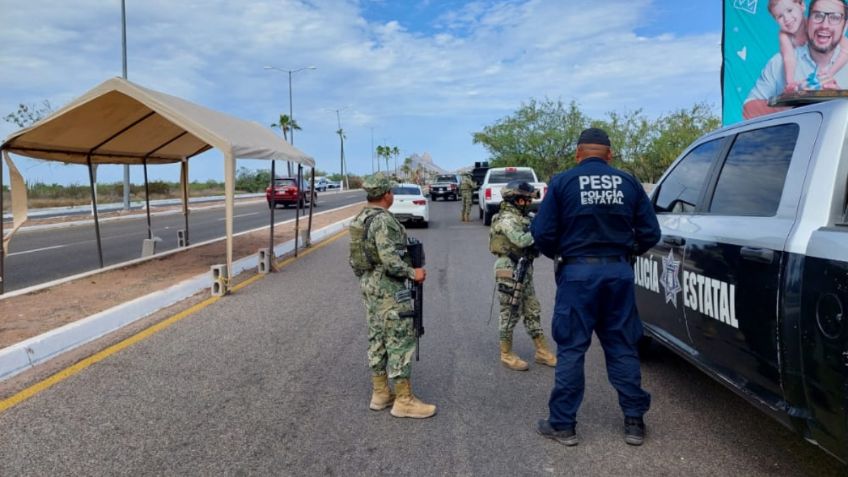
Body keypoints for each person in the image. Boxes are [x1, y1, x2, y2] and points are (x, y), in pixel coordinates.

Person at [531, 128, 660, 446]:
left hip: (577, 275)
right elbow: (651, 232)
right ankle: (633, 422)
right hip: (618, 273)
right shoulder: (628, 182)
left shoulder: (562, 182)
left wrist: (563, 255)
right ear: (609, 155)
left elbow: (543, 233)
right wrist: (625, 255)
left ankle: (563, 425)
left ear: (578, 154)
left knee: (572, 349)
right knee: (622, 346)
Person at [348, 173, 436, 419]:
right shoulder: (383, 221)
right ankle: (404, 401)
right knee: (399, 338)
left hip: (370, 284)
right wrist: (413, 272)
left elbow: (356, 260)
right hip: (389, 287)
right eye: (392, 192)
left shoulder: (360, 218)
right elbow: (390, 261)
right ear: (387, 194)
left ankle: (380, 393)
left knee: (377, 335)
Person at [489, 181, 557, 371]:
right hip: (508, 269)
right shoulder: (506, 220)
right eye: (526, 199)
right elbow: (522, 240)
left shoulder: (523, 218)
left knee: (532, 309)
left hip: (524, 268)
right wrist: (540, 229)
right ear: (517, 200)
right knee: (510, 312)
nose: (528, 203)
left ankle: (542, 351)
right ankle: (506, 354)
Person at [744, 0, 848, 119]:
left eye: (835, 18)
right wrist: (787, 102)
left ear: (845, 25)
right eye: (818, 16)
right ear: (809, 21)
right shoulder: (778, 62)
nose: (825, 25)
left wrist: (842, 102)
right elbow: (748, 110)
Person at [770, 0, 848, 92]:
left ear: (802, 6)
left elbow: (845, 49)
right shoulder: (784, 35)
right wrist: (790, 83)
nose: (786, 18)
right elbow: (788, 58)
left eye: (790, 10)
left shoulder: (814, 25)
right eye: (779, 16)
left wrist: (829, 73)